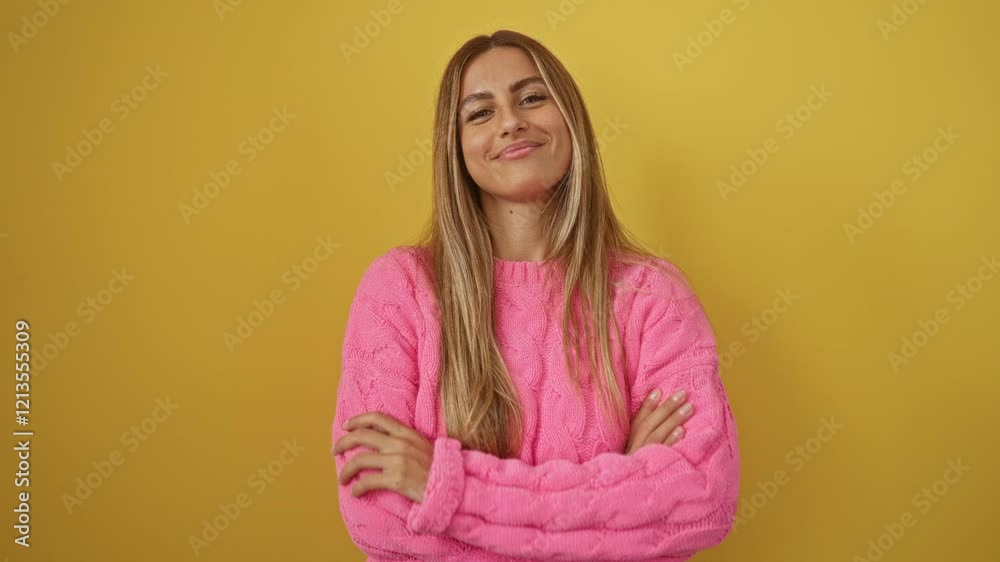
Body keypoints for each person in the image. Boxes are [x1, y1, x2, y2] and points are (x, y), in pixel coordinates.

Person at [331, 29, 740, 561]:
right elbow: (378, 520)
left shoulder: (651, 296)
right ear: (455, 148)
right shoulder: (399, 290)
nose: (510, 122)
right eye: (480, 113)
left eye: (531, 98)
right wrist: (621, 489)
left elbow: (700, 500)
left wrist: (446, 487)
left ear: (570, 118)